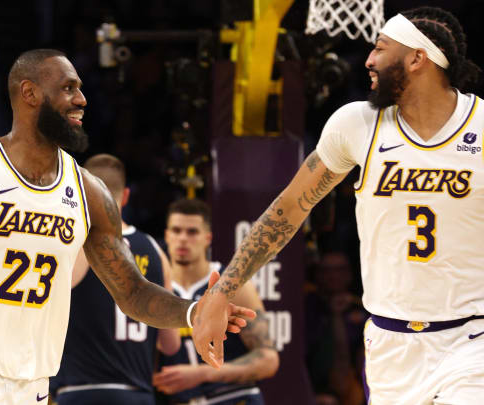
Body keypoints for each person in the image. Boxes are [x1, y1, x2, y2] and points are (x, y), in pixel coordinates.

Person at [0, 49, 252, 405]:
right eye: (68, 88)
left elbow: (132, 292)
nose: (82, 100)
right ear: (29, 93)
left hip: (33, 385)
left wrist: (193, 313)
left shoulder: (89, 193)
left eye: (80, 89)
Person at [194, 6, 484, 404]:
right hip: (389, 345)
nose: (368, 60)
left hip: (470, 339)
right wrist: (221, 292)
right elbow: (288, 210)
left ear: (418, 58)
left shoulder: (480, 127)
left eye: (380, 48)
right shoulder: (357, 125)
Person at [51, 153, 180, 404]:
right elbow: (170, 344)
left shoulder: (75, 244)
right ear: (127, 196)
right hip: (138, 394)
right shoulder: (155, 250)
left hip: (80, 392)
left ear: (80, 192)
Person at [154, 199, 279, 405]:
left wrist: (202, 374)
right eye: (176, 231)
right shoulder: (156, 290)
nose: (183, 239)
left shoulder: (230, 284)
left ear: (208, 238)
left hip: (233, 397)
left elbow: (268, 360)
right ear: (167, 236)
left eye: (192, 232)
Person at [305, 251, 367, 405]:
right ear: (317, 274)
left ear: (349, 274)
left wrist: (337, 315)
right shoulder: (305, 305)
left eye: (339, 270)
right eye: (327, 270)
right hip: (309, 384)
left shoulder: (365, 307)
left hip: (352, 389)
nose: (333, 276)